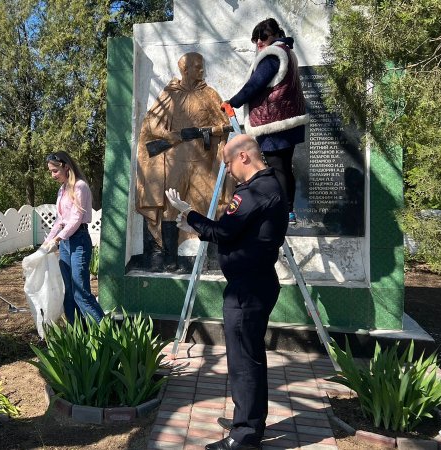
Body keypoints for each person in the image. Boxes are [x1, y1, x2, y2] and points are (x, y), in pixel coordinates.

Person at [166, 135, 288, 450]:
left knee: (243, 362)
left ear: (244, 157)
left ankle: (245, 435)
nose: (228, 170)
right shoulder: (267, 187)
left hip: (247, 291)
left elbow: (224, 231)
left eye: (228, 162)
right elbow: (234, 236)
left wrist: (191, 214)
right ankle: (248, 421)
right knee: (249, 358)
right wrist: (194, 223)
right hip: (253, 285)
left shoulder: (257, 190)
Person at [136, 51, 233, 272]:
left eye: (202, 66)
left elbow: (225, 124)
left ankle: (213, 258)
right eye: (197, 67)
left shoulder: (209, 94)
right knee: (171, 207)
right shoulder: (170, 95)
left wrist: (207, 131)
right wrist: (175, 135)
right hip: (174, 161)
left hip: (202, 162)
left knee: (211, 204)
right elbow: (151, 125)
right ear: (185, 70)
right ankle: (170, 260)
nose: (201, 70)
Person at [222, 18, 308, 224]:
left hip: (274, 122)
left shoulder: (273, 55)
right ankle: (288, 210)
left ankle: (282, 212)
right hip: (287, 120)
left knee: (277, 167)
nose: (258, 41)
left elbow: (255, 84)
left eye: (263, 36)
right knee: (284, 167)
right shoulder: (288, 52)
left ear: (276, 35)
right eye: (255, 37)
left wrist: (232, 102)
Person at [42, 151, 104, 325]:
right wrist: (47, 242)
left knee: (80, 292)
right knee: (68, 292)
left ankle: (105, 333)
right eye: (50, 171)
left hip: (79, 242)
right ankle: (78, 334)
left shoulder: (80, 187)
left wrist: (57, 239)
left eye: (55, 171)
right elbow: (60, 220)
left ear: (66, 167)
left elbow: (76, 219)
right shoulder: (62, 190)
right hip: (66, 244)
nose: (52, 175)